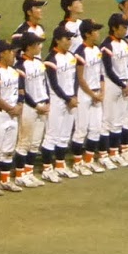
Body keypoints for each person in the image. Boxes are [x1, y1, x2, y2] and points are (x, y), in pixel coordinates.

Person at [41, 28, 79, 182]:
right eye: (66, 38)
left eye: (70, 39)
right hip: (57, 99)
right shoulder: (51, 59)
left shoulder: (71, 57)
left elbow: (75, 78)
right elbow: (54, 84)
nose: (69, 41)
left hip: (70, 99)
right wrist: (67, 98)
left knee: (64, 135)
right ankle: (46, 169)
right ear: (57, 40)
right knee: (52, 135)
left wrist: (74, 95)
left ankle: (60, 166)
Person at [100, 14, 128, 169]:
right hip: (112, 85)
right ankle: (103, 155)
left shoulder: (126, 43)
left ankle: (114, 153)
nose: (126, 30)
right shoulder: (107, 46)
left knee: (119, 121)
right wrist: (122, 84)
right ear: (114, 28)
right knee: (107, 121)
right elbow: (108, 70)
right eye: (123, 27)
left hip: (124, 85)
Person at [16, 34, 52, 183]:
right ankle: (19, 176)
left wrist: (48, 101)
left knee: (35, 143)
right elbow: (23, 90)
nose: (40, 47)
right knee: (24, 142)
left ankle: (29, 173)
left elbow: (45, 83)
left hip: (42, 105)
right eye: (38, 44)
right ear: (29, 46)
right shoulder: (20, 66)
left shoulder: (38, 62)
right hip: (29, 107)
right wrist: (37, 106)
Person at [0, 38, 22, 191]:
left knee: (8, 150)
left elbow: (20, 91)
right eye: (10, 52)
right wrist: (9, 108)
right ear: (2, 54)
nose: (14, 54)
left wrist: (19, 105)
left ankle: (5, 180)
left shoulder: (14, 72)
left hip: (13, 115)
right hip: (1, 115)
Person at [74, 20, 106, 170]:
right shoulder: (80, 52)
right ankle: (77, 163)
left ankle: (88, 160)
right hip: (84, 94)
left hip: (96, 93)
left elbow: (100, 74)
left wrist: (101, 91)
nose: (98, 33)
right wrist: (93, 94)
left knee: (95, 128)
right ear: (87, 34)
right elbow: (80, 78)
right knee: (81, 129)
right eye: (95, 30)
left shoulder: (97, 50)